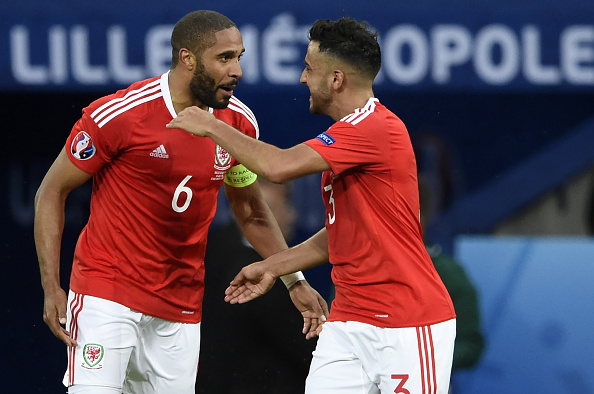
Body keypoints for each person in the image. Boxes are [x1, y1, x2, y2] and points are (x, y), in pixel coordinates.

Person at [34, 10, 328, 394]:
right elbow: (50, 191)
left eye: (240, 56)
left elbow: (251, 209)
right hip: (108, 293)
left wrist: (293, 280)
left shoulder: (238, 124)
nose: (237, 69)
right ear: (188, 58)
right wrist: (52, 286)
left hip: (180, 306)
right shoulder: (120, 114)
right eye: (224, 58)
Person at [168, 17, 457, 394]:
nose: (303, 79)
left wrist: (213, 126)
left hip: (407, 323)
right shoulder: (349, 135)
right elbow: (342, 232)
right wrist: (274, 267)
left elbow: (279, 167)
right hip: (348, 321)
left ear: (336, 79)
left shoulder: (375, 129)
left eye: (308, 69)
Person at [197, 179, 316, 393]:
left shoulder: (215, 248)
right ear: (264, 215)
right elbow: (307, 352)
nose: (293, 216)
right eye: (286, 206)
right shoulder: (261, 275)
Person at [418, 175, 485, 374]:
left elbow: (471, 345)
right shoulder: (358, 267)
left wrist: (424, 363)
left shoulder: (449, 274)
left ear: (425, 215)